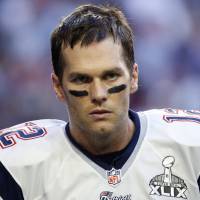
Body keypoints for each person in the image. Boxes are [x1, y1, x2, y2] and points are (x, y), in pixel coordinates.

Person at [0, 4, 200, 200]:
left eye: (110, 76)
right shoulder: (16, 167)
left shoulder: (191, 145)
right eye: (81, 79)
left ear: (134, 77)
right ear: (58, 86)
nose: (98, 94)